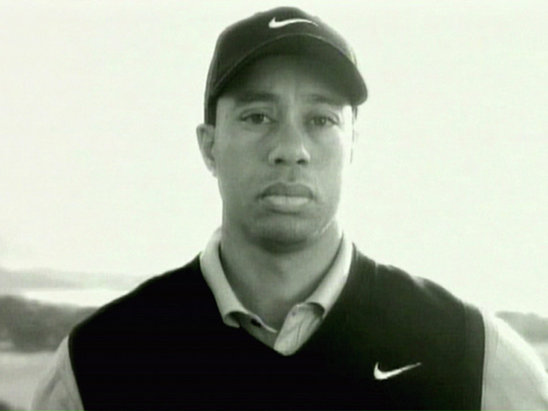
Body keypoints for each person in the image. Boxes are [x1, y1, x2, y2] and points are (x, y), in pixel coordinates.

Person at [32, 6, 548, 410]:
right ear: (209, 147)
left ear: (353, 145)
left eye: (321, 120)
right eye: (257, 116)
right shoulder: (100, 363)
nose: (291, 148)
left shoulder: (467, 354)